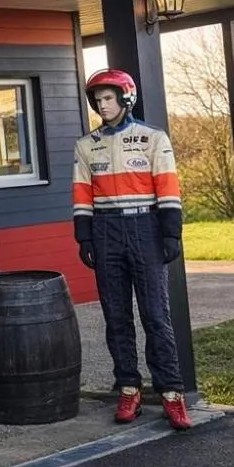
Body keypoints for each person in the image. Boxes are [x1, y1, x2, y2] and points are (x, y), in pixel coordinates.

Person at [71, 68, 192, 431]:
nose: (102, 105)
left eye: (108, 98)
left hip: (146, 227)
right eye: (97, 99)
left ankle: (171, 392)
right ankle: (128, 388)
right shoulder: (85, 145)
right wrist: (85, 237)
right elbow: (81, 194)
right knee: (117, 316)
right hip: (106, 229)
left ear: (126, 98)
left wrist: (171, 233)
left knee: (156, 315)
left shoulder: (153, 138)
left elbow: (168, 187)